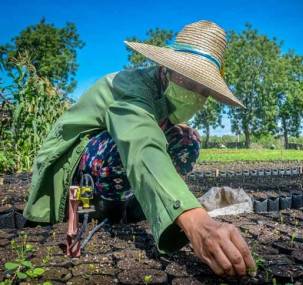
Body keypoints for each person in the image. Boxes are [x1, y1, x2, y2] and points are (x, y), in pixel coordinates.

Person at [23, 20, 256, 276]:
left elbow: (156, 137)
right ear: (166, 67)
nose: (196, 93)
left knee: (187, 140)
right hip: (71, 169)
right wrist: (196, 220)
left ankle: (146, 209)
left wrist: (173, 130)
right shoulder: (131, 87)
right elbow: (141, 141)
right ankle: (105, 210)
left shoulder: (164, 96)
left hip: (113, 160)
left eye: (204, 89)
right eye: (189, 81)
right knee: (115, 153)